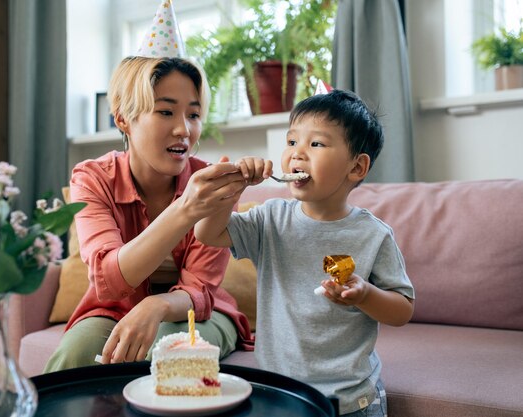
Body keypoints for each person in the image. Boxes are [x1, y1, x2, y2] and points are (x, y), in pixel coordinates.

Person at [194, 89, 415, 416]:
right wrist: (231, 193)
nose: (297, 154)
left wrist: (364, 295)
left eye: (316, 144)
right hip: (280, 392)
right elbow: (207, 233)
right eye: (292, 141)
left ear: (357, 167)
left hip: (350, 399)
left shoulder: (373, 235)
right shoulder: (270, 218)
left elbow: (403, 310)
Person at [44, 55, 253, 372]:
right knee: (74, 356)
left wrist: (156, 305)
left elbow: (199, 288)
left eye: (193, 114)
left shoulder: (213, 182)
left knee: (172, 354)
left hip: (196, 312)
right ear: (123, 119)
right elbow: (109, 282)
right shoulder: (93, 178)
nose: (184, 129)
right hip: (113, 308)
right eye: (166, 112)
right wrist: (185, 210)